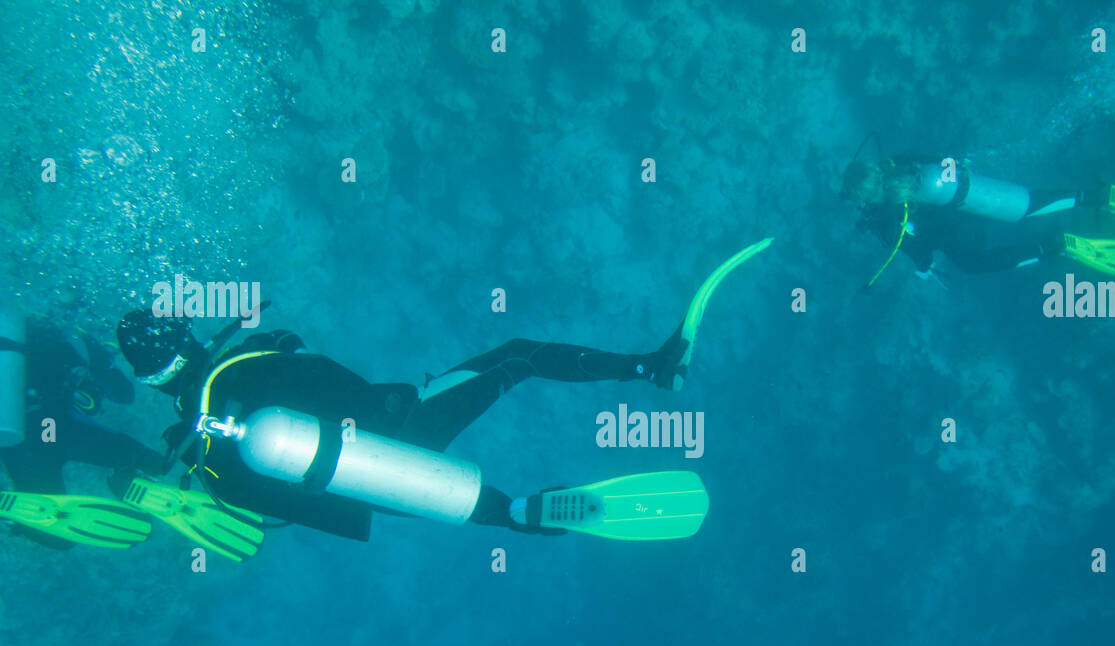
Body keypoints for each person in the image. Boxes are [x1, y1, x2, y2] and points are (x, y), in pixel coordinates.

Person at [108, 238, 772, 556]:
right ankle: (656, 368)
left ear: (152, 381)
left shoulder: (202, 455)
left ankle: (525, 513)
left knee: (492, 510)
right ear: (186, 338)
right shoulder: (242, 363)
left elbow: (274, 514)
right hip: (401, 429)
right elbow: (323, 373)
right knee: (519, 355)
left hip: (384, 488)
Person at [840, 155, 1115, 286]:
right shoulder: (898, 162)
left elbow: (918, 248)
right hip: (971, 201)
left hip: (958, 234)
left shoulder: (887, 220)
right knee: (1026, 204)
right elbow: (942, 159)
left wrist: (924, 268)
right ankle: (1096, 197)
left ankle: (1053, 246)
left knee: (974, 264)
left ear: (866, 197)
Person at [0, 319, 166, 551]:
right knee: (154, 463)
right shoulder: (68, 335)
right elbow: (123, 393)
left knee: (58, 535)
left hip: (15, 441)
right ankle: (125, 483)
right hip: (60, 430)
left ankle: (11, 517)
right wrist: (101, 360)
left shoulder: (17, 337)